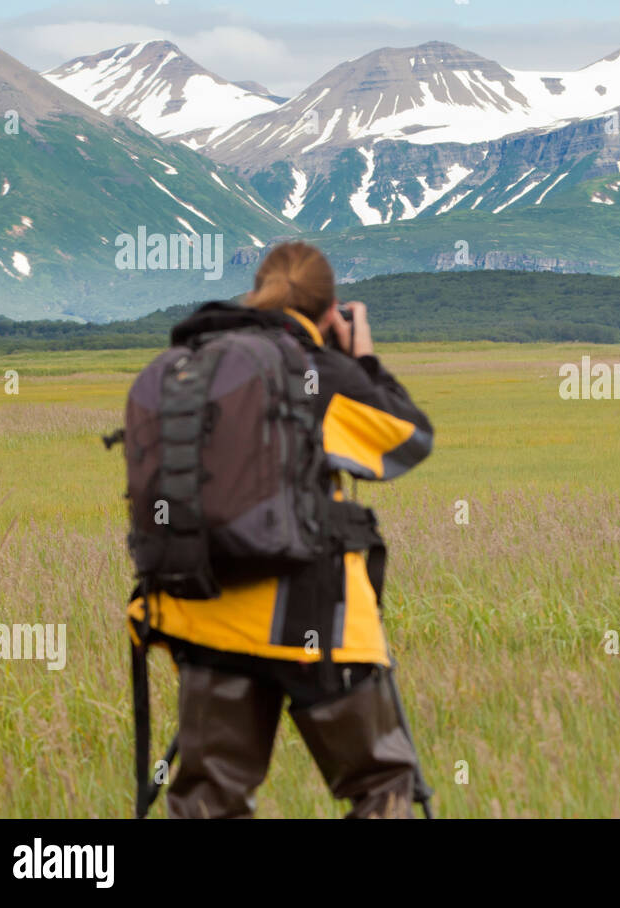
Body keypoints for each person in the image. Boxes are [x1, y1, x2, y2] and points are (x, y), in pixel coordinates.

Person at [125, 241, 434, 818]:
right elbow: (406, 439)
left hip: (201, 611)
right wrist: (361, 359)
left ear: (257, 293)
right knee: (382, 783)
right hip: (312, 616)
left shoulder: (196, 365)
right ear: (328, 310)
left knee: (208, 800)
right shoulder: (316, 371)